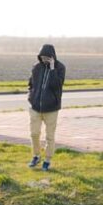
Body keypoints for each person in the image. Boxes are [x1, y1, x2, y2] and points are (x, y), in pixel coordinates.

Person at [27, 44, 65, 172]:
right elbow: (31, 84)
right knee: (34, 133)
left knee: (50, 136)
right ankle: (36, 156)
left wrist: (52, 68)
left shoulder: (60, 68)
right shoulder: (36, 67)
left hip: (51, 109)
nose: (44, 60)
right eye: (42, 57)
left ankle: (47, 160)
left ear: (52, 56)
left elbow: (57, 85)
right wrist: (31, 97)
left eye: (47, 58)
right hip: (35, 108)